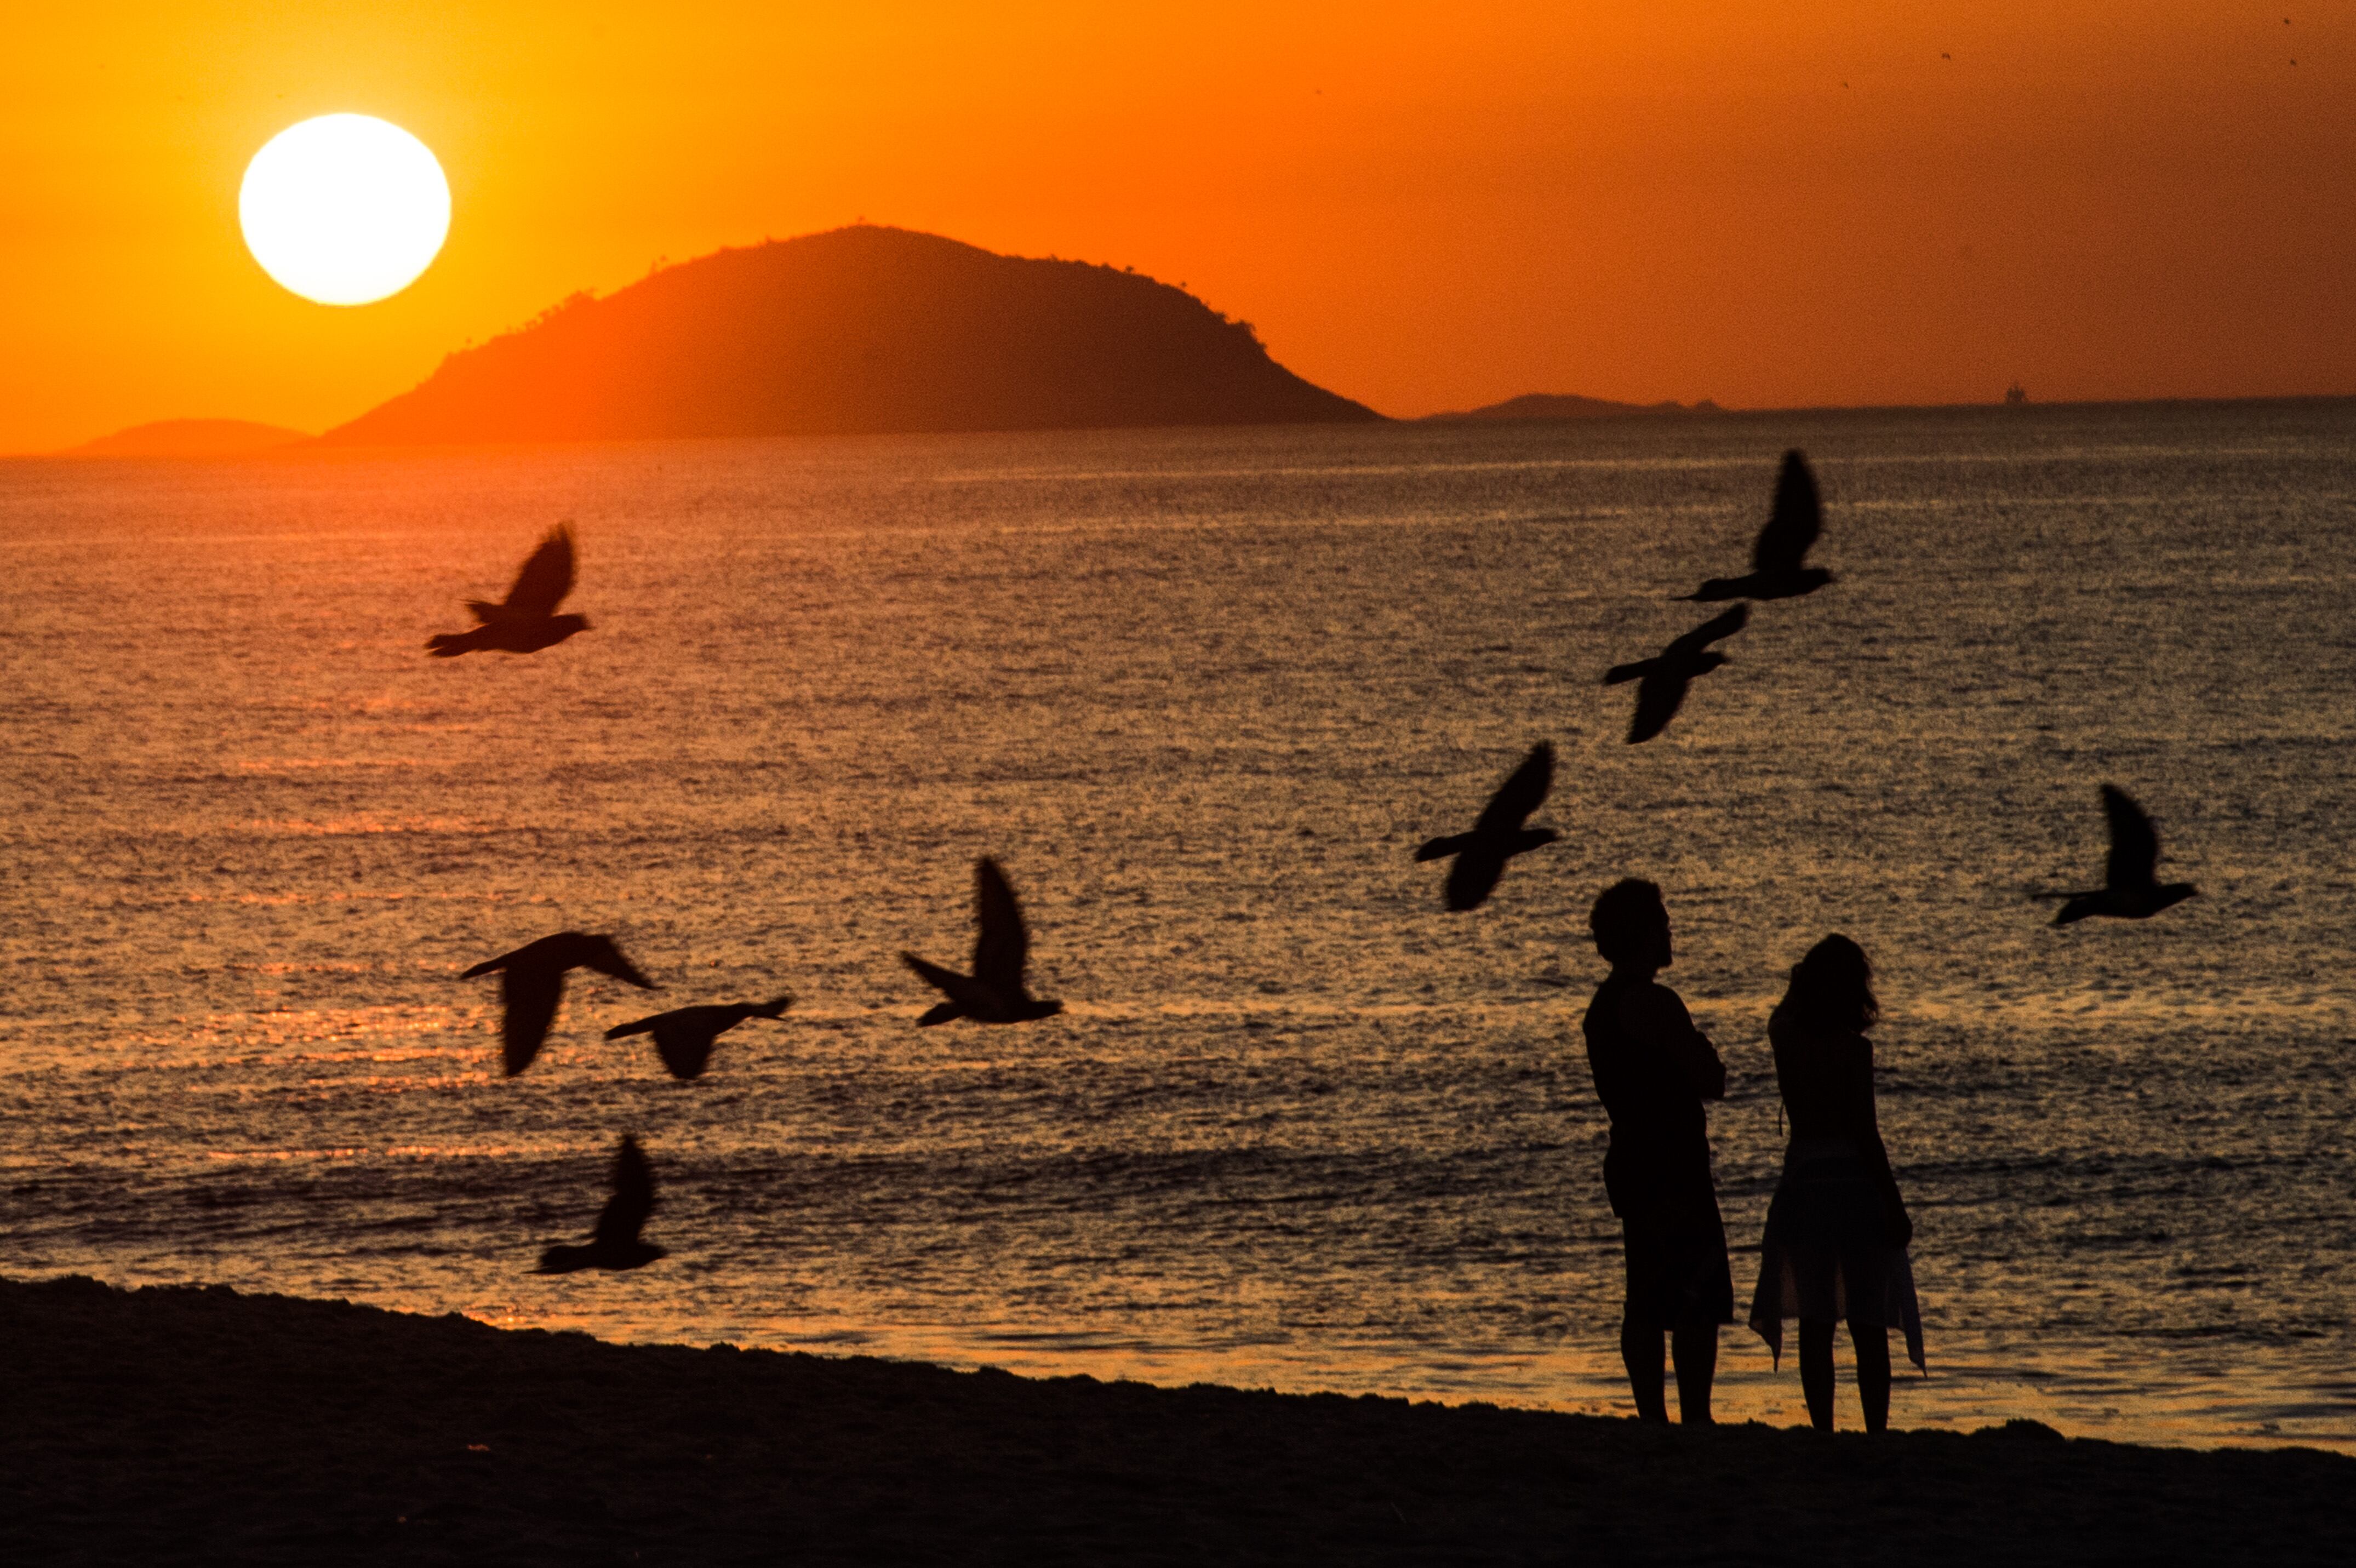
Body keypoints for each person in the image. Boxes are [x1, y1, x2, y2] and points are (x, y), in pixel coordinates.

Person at [1748, 934, 1925, 1432]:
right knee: (1868, 1324)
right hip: (1854, 1191)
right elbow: (1866, 1134)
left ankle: (1823, 1430)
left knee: (1816, 1321)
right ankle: (1875, 1432)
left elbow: (1781, 1014)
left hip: (1805, 1189)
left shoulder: (1787, 1039)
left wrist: (1798, 981)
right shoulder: (1854, 1051)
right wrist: (1894, 1203)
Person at [1581, 877, 1732, 1424]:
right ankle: (1693, 1416)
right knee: (1694, 1297)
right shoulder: (1654, 1002)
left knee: (1644, 1293)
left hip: (1632, 1159)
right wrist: (1700, 1051)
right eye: (1661, 923)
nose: (1670, 931)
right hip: (1670, 1162)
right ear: (1642, 934)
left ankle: (1652, 1417)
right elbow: (1710, 1077)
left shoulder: (1602, 1007)